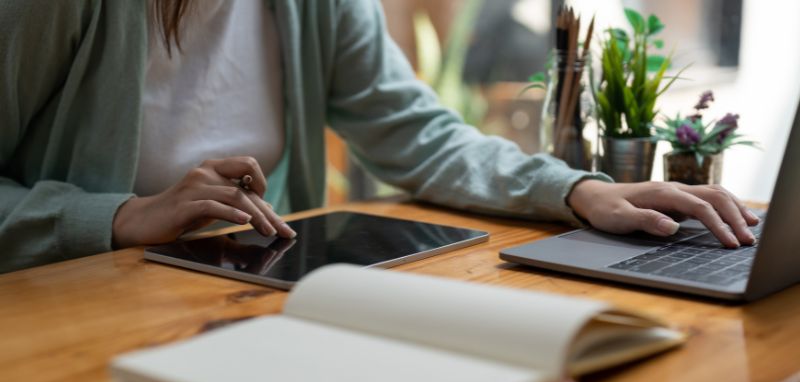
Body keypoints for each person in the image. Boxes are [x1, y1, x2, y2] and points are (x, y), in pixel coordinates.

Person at [0, 0, 758, 273]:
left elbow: (419, 133)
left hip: (237, 303)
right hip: (62, 314)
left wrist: (578, 189)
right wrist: (117, 217)